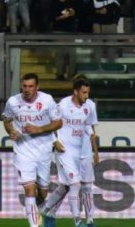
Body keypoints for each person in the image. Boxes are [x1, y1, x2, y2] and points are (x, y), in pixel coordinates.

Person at [2, 73, 62, 227]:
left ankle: (39, 209)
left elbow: (58, 123)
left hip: (43, 151)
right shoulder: (13, 101)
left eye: (30, 86)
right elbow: (7, 120)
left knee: (42, 192)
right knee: (29, 189)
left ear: (37, 87)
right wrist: (10, 131)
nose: (27, 89)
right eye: (24, 86)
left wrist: (39, 129)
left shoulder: (47, 100)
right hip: (23, 151)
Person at [40, 76, 98, 227]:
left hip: (84, 151)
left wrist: (95, 152)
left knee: (79, 186)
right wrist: (54, 141)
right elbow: (48, 123)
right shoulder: (63, 105)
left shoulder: (90, 106)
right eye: (84, 93)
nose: (87, 96)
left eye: (88, 93)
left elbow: (91, 128)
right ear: (76, 92)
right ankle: (78, 221)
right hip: (65, 151)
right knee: (74, 184)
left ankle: (48, 211)